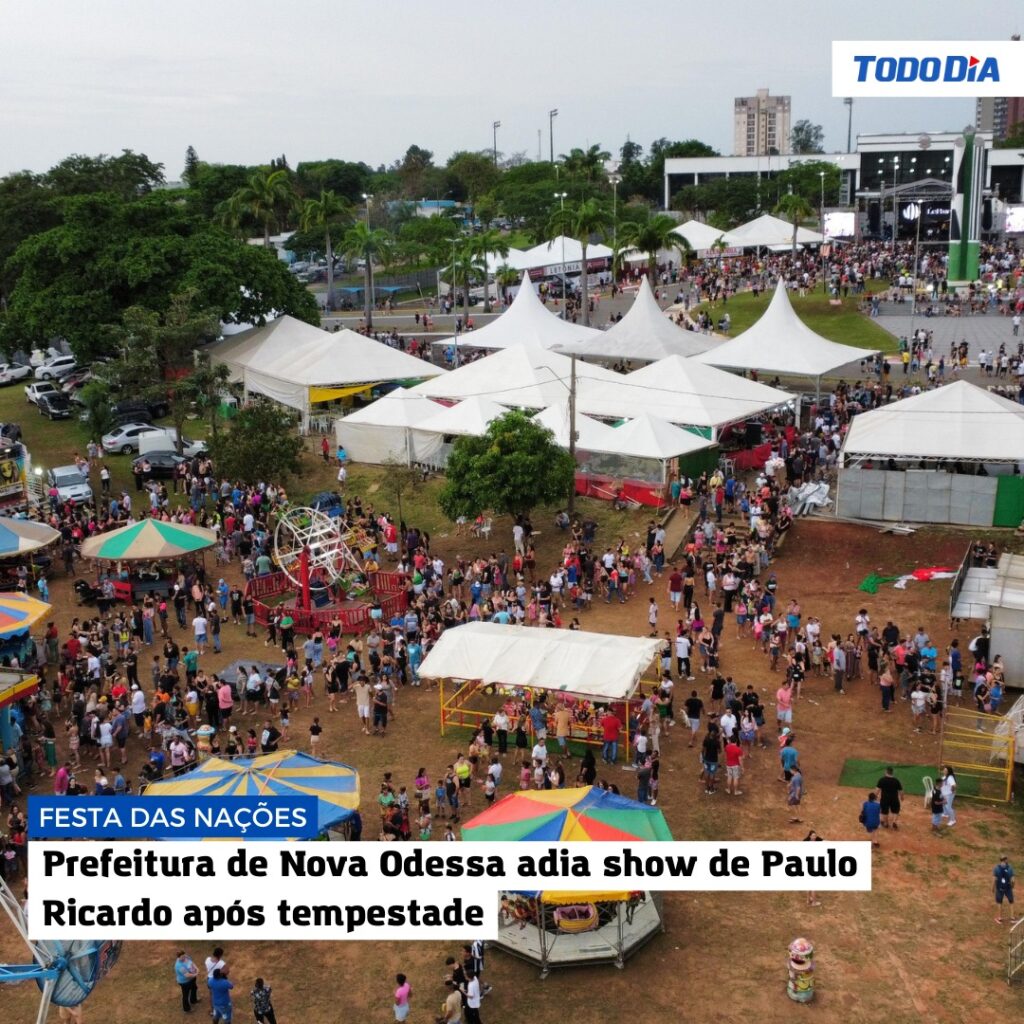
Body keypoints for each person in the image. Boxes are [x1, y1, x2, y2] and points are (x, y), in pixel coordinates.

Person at [993, 856, 1017, 925]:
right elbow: (1013, 880)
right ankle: (1012, 918)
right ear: (1005, 860)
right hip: (1008, 887)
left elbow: (995, 879)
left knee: (999, 902)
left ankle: (999, 918)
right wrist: (1012, 886)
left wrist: (993, 888)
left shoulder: (996, 868)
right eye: (1007, 859)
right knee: (1011, 902)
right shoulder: (1010, 868)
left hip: (999, 888)